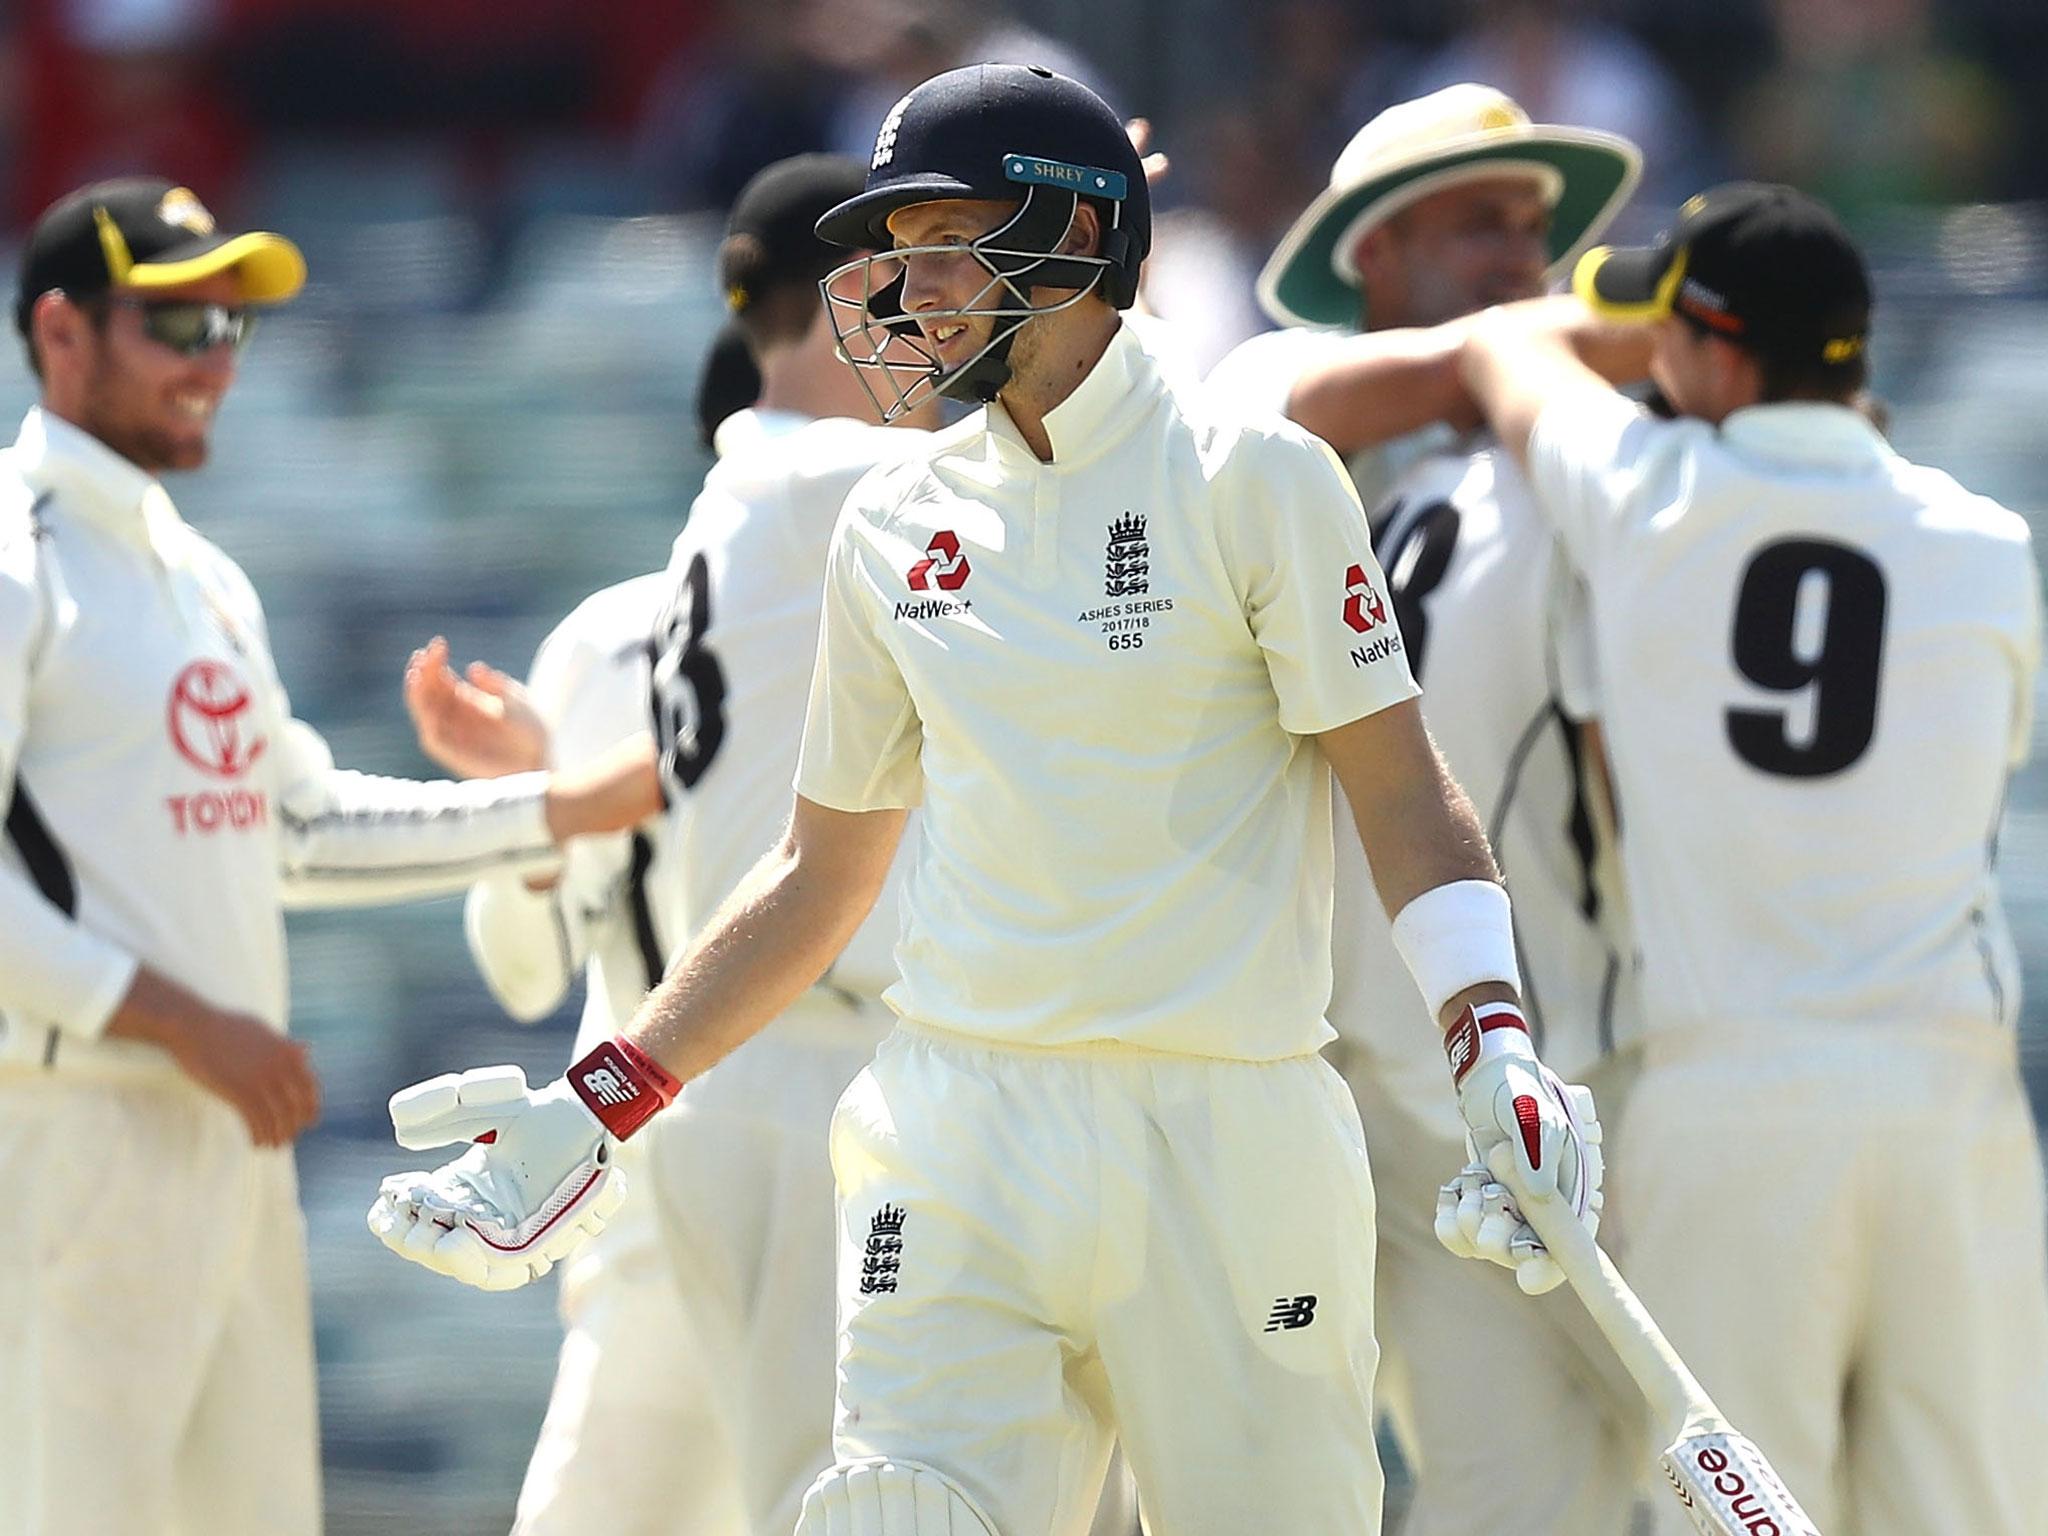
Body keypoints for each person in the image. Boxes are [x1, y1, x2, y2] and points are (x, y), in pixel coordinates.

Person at [369, 65, 1602, 1536]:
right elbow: (818, 875)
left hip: (1226, 1137)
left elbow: (1403, 794)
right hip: (956, 1130)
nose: (904, 288)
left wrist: (1493, 1042)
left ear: (1076, 244)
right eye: (898, 247)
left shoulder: (1253, 476)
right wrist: (603, 1101)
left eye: (945, 240)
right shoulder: (890, 519)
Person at [0, 176, 651, 1536]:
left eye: (230, 328)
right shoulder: (19, 559)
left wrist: (551, 808)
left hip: (227, 1135)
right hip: (71, 1133)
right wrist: (184, 1025)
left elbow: (295, 825)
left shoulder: (201, 577)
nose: (212, 363)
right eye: (174, 325)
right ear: (60, 333)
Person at [1457, 181, 2048, 1536]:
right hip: (1947, 1097)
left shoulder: (1646, 487)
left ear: (1720, 357)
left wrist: (1605, 347)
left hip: (1736, 1097)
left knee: (1740, 1520)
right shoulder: (1985, 542)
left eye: (1670, 342)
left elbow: (1503, 349)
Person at [1206, 84, 1648, 1533]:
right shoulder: (1270, 393)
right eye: (1479, 223)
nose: (1520, 259)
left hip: (1525, 1072)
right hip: (1299, 1077)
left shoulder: (1587, 451)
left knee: (1531, 1495)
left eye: (1535, 231)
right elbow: (1361, 391)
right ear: (1371, 256)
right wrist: (1586, 344)